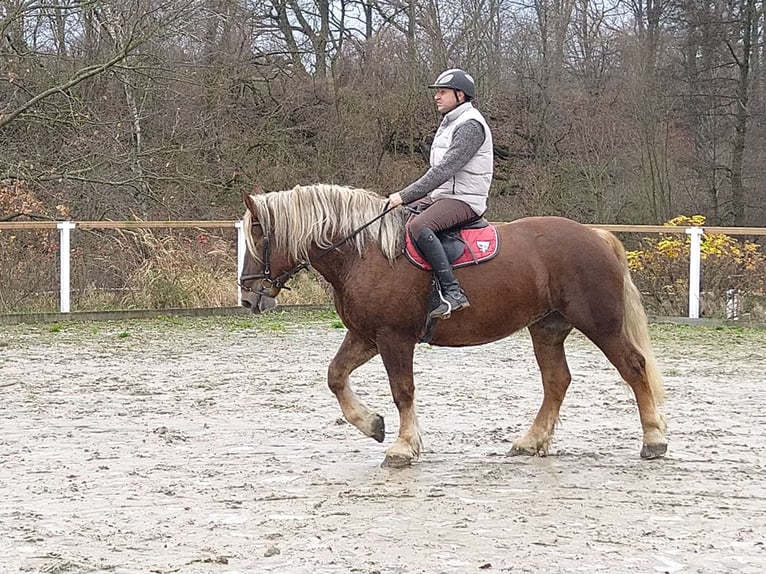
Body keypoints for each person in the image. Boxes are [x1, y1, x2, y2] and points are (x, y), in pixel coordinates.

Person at [388, 68, 494, 319]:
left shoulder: (470, 125)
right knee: (400, 217)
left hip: (464, 199)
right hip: (443, 195)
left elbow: (444, 170)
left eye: (443, 92)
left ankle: (452, 293)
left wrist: (404, 195)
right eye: (436, 92)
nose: (437, 96)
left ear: (461, 95)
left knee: (420, 227)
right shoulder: (449, 123)